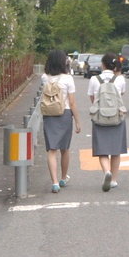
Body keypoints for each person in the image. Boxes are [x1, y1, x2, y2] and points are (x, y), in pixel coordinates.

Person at [42, 50, 81, 193]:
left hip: (49, 114)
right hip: (64, 114)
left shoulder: (44, 78)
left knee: (52, 150)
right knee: (64, 149)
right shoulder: (67, 79)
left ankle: (54, 182)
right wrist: (77, 121)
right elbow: (72, 102)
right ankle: (63, 178)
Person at [87, 52, 127, 191]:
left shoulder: (94, 79)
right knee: (116, 150)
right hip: (117, 118)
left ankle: (106, 172)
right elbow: (120, 97)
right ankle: (114, 180)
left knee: (102, 149)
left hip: (100, 118)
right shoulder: (120, 79)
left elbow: (93, 99)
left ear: (102, 65)